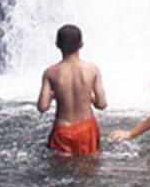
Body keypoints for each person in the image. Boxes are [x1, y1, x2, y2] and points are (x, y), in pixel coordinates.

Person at [37, 24, 108, 156]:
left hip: (63, 129)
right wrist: (89, 98)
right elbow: (102, 104)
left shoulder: (50, 73)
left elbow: (42, 107)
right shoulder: (92, 69)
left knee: (61, 172)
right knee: (88, 169)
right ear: (81, 44)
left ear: (58, 44)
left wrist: (54, 95)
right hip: (87, 128)